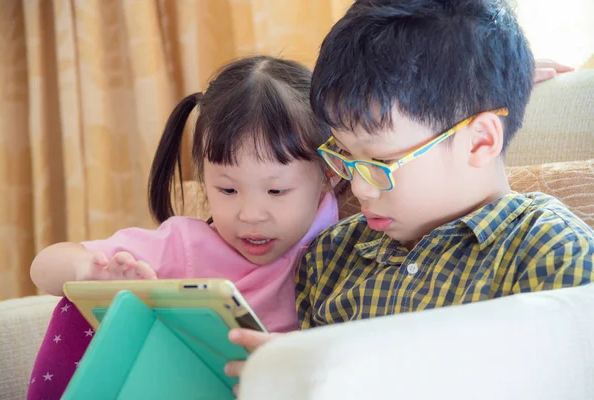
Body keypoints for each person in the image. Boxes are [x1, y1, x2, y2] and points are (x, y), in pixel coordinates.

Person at [225, 0, 594, 390]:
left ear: (479, 142)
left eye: (381, 161)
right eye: (345, 155)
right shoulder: (330, 256)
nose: (360, 187)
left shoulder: (553, 253)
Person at [27, 55, 339, 400]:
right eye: (227, 190)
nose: (251, 215)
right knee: (74, 309)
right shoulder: (188, 244)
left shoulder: (352, 241)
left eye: (277, 191)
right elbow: (43, 268)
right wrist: (87, 271)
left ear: (329, 174)